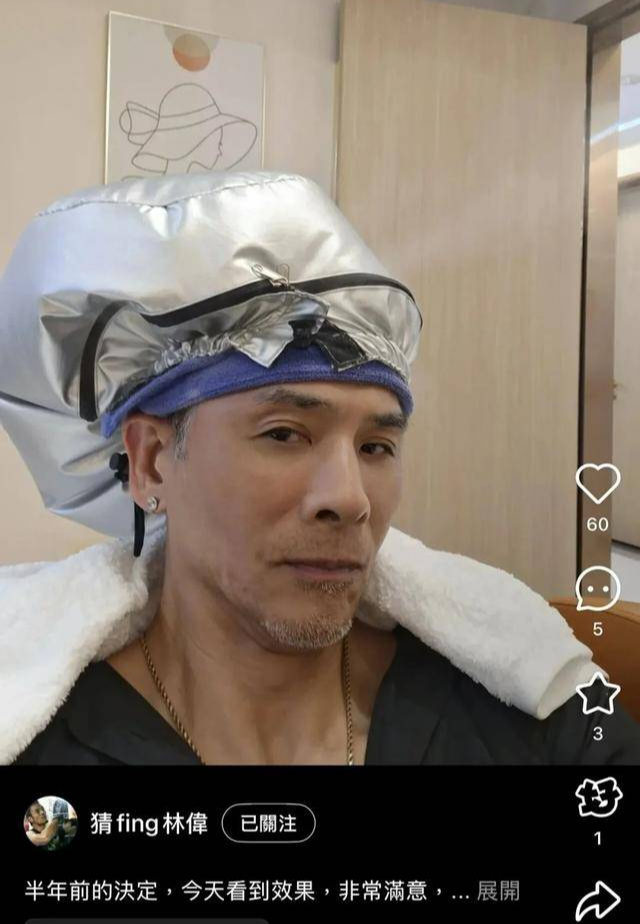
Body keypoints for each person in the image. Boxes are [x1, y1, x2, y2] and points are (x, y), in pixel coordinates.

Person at [1, 169, 639, 765]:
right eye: (284, 434)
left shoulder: (527, 718)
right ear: (151, 462)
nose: (351, 498)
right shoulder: (45, 742)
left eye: (376, 446)